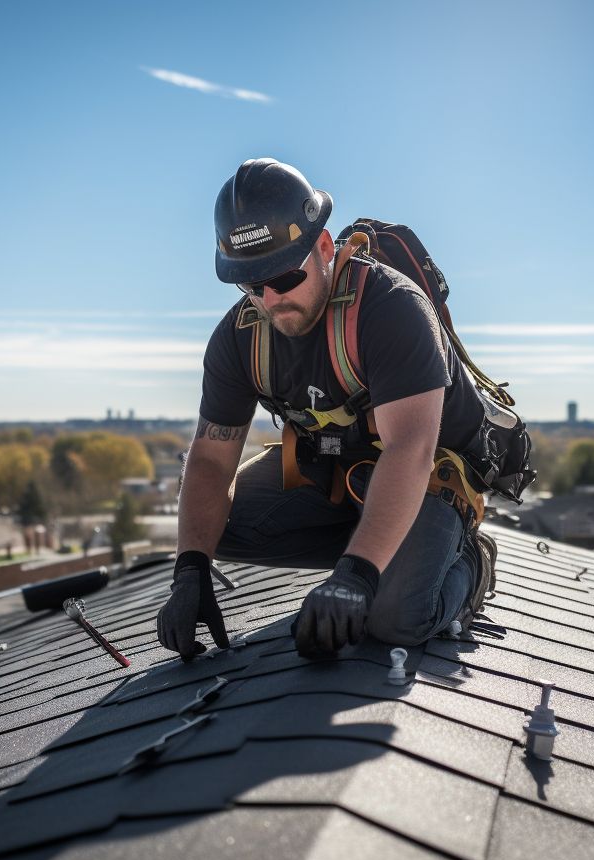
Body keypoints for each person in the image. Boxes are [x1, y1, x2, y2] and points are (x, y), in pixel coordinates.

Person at [157, 158, 501, 660]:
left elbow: (411, 448)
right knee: (211, 529)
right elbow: (210, 460)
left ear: (322, 246)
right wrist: (188, 570)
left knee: (394, 616)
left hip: (425, 477)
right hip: (339, 474)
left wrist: (357, 576)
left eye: (286, 277)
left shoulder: (390, 308)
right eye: (253, 286)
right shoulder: (240, 338)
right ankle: (377, 544)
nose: (272, 300)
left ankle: (468, 560)